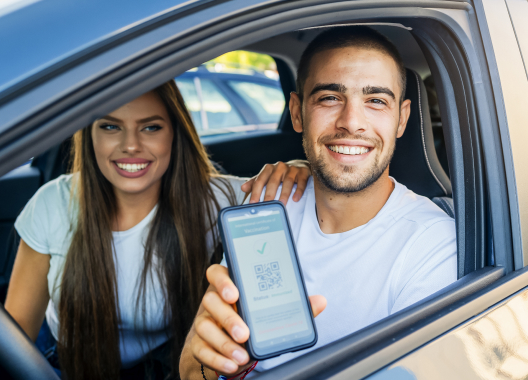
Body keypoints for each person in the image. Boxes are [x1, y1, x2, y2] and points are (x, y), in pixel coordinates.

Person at [180, 26, 457, 379]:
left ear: (401, 119)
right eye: (329, 98)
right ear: (297, 113)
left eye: (375, 101)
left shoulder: (432, 248)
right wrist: (216, 364)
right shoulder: (269, 206)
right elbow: (192, 369)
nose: (351, 123)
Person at [5, 81, 312, 380]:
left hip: (160, 368)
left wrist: (302, 167)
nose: (130, 145)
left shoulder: (219, 200)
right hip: (61, 364)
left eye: (151, 127)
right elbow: (13, 338)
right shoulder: (52, 203)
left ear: (175, 134)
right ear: (89, 136)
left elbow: (292, 190)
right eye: (110, 126)